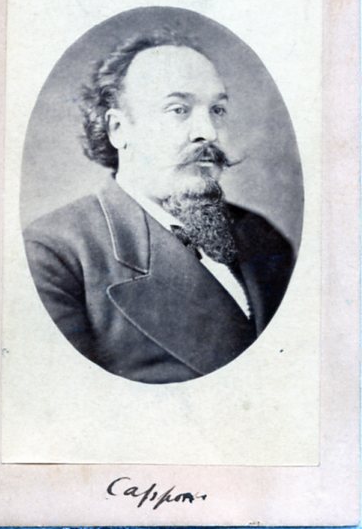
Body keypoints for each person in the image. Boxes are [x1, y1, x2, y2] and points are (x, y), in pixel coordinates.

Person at [24, 29, 295, 384]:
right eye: (178, 109)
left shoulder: (262, 236)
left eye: (217, 110)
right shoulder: (54, 254)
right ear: (119, 129)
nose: (208, 132)